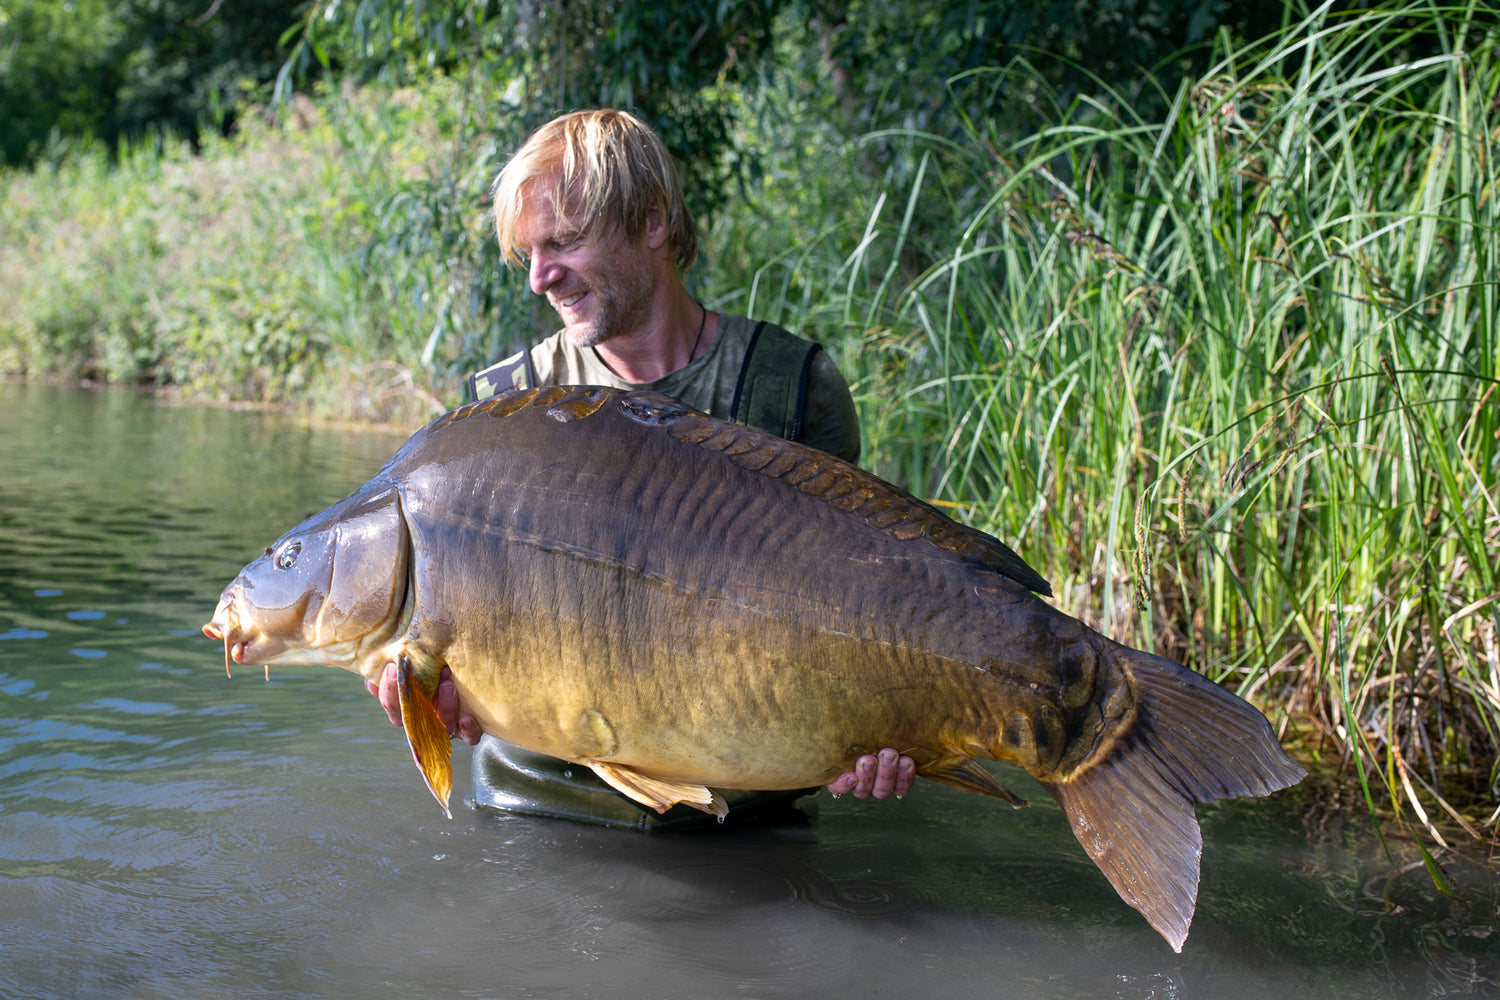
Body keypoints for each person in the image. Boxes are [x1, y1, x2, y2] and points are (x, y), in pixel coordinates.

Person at [369, 109, 916, 829]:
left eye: (562, 242)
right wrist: (433, 698)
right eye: (527, 254)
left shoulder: (792, 388)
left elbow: (866, 607)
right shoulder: (500, 415)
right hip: (544, 813)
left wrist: (893, 727)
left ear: (653, 222)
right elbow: (448, 645)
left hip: (749, 827)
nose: (540, 279)